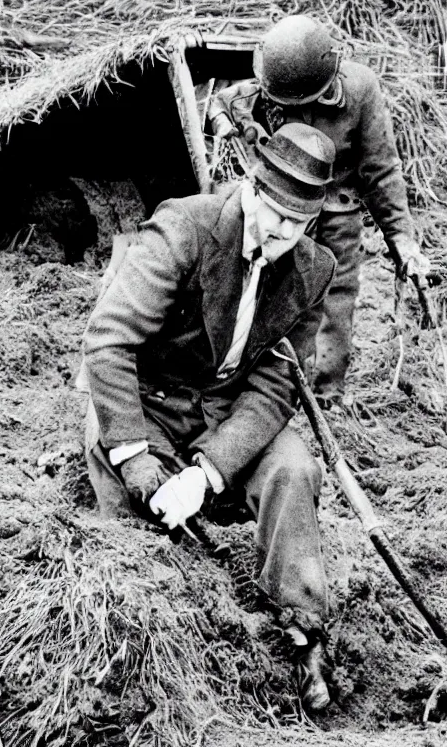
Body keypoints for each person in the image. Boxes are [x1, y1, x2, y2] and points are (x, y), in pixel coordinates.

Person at [82, 123, 338, 711]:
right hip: (151, 397)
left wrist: (210, 472)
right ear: (251, 185)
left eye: (299, 225)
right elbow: (108, 343)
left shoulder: (312, 270)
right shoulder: (184, 229)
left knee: (293, 467)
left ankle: (302, 630)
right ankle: (145, 633)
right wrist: (136, 454)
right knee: (128, 488)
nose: (282, 234)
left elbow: (278, 386)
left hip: (226, 408)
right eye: (275, 215)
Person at [208, 14, 432, 398]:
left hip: (335, 213)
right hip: (279, 209)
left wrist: (402, 239)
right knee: (264, 294)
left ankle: (325, 395)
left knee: (334, 302)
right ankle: (263, 390)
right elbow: (223, 102)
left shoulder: (360, 90)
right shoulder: (269, 81)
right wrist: (224, 122)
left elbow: (381, 172)